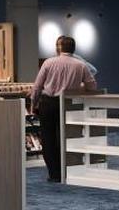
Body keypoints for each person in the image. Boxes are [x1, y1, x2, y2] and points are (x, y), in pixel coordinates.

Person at [32, 35, 98, 182]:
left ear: (58, 47)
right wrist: (78, 87)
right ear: (73, 49)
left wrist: (33, 104)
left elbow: (37, 86)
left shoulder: (48, 63)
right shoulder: (80, 65)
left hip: (48, 103)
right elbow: (92, 86)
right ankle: (67, 170)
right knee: (66, 137)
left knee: (48, 139)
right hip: (69, 103)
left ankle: (54, 174)